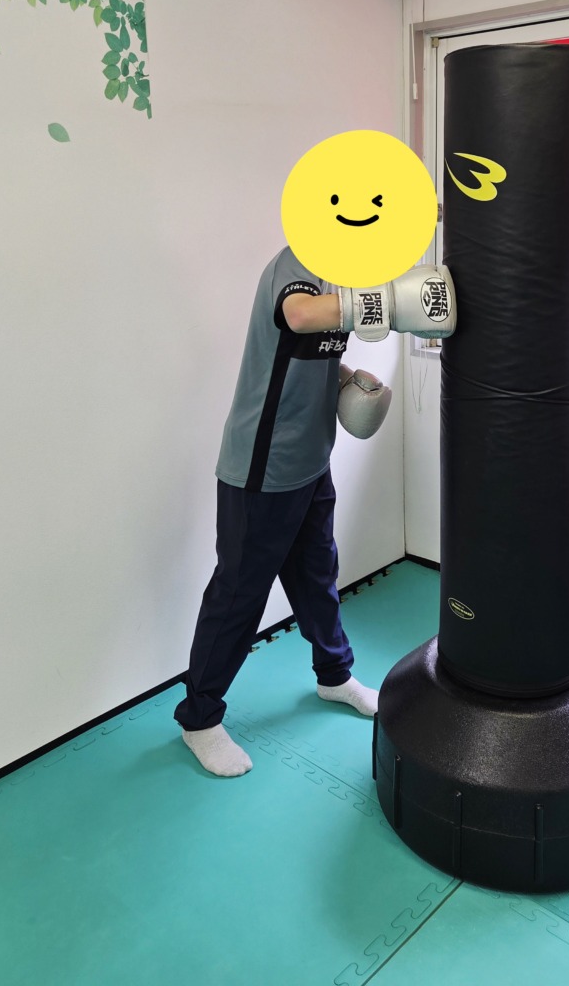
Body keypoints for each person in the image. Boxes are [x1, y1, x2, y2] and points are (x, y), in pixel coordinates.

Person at [175, 245, 456, 777]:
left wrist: (345, 378)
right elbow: (299, 315)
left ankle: (334, 675)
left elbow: (304, 350)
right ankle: (199, 718)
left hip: (309, 462)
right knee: (239, 594)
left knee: (317, 575)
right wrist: (389, 304)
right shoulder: (297, 264)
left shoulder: (343, 274)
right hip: (262, 467)